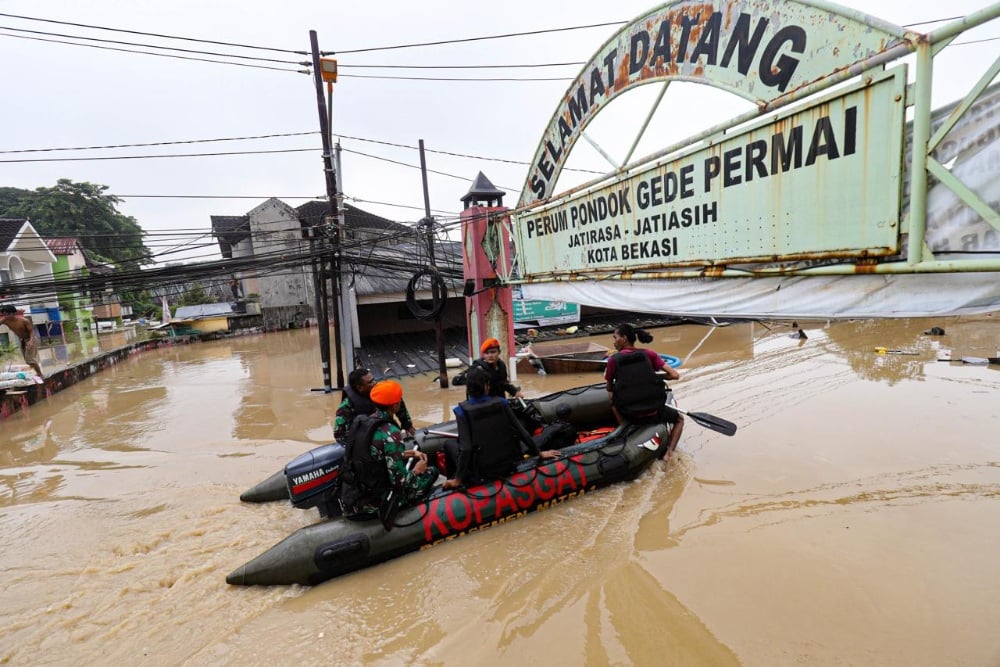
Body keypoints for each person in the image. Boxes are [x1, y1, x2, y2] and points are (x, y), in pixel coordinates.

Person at [443, 366, 558, 489]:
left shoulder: (461, 412)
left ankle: (454, 480)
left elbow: (466, 449)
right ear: (486, 386)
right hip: (508, 464)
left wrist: (458, 479)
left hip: (482, 471)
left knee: (448, 444)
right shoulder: (502, 403)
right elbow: (521, 431)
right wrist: (539, 453)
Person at [339, 379, 438, 517]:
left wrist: (406, 454)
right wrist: (416, 471)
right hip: (378, 502)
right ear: (395, 405)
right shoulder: (390, 431)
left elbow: (375, 457)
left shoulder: (364, 423)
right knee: (432, 471)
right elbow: (400, 482)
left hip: (358, 495)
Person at [604, 323, 684, 459]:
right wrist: (656, 376)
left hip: (630, 414)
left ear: (623, 338)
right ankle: (670, 452)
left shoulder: (613, 360)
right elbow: (674, 375)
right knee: (680, 420)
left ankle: (625, 427)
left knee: (612, 400)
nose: (614, 341)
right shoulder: (650, 354)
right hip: (654, 411)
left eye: (615, 337)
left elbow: (609, 387)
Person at [333, 367, 415, 441]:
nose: (375, 383)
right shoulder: (346, 407)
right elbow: (340, 435)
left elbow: (396, 402)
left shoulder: (379, 390)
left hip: (386, 429)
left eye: (373, 379)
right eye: (370, 382)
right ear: (360, 387)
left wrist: (407, 425)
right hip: (364, 437)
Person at [0, 305, 43, 377]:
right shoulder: (5, 320)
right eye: (4, 314)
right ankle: (35, 371)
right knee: (27, 360)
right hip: (22, 340)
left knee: (29, 360)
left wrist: (31, 341)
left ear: (13, 313)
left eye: (7, 314)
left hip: (31, 339)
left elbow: (31, 332)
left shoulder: (24, 321)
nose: (5, 316)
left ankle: (40, 374)